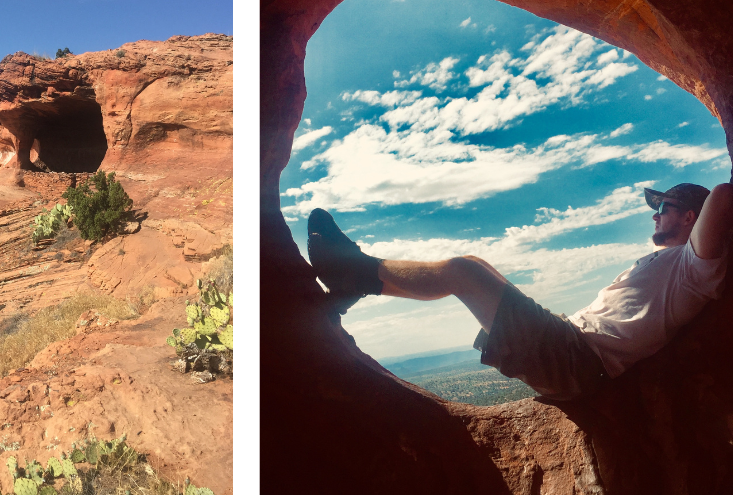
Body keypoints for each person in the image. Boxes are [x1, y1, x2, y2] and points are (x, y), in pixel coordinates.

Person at [308, 179, 733, 401]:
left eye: (663, 208)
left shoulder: (696, 266)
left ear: (693, 216)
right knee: (477, 267)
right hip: (569, 342)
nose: (654, 216)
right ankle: (359, 282)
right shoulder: (671, 262)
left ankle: (354, 274)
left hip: (578, 359)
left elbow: (724, 194)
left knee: (463, 272)